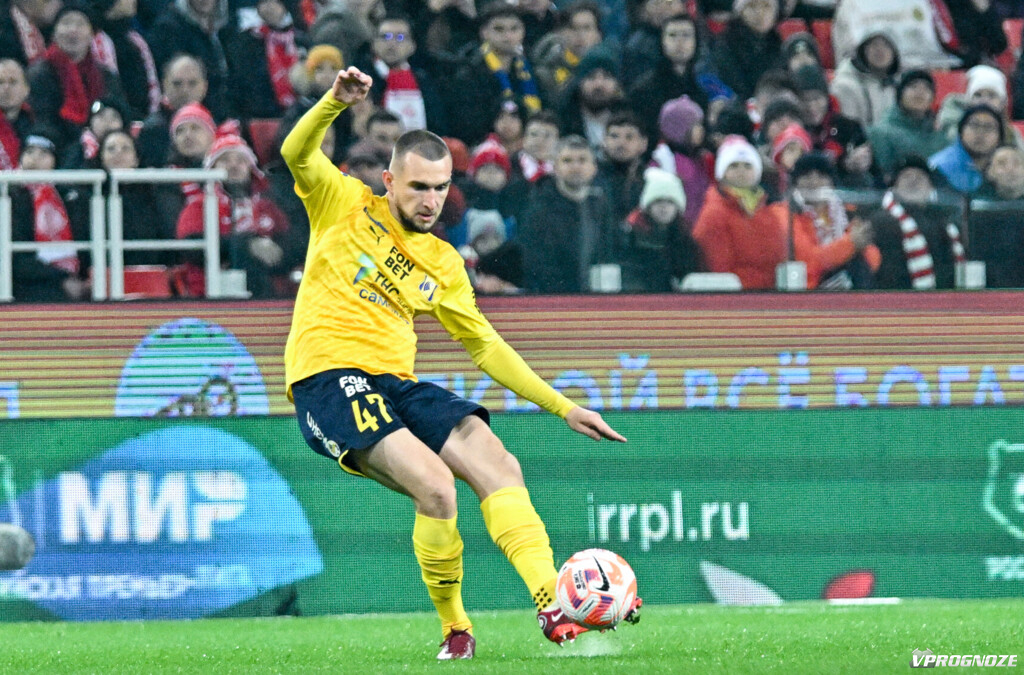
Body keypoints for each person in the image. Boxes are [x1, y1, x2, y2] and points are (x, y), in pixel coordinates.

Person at [280, 65, 637, 661]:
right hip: (327, 377)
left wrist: (563, 407)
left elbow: (486, 346)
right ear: (389, 180)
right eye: (418, 187)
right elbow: (294, 152)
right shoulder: (340, 201)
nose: (431, 201)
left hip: (396, 382)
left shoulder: (443, 262)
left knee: (498, 463)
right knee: (437, 487)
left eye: (441, 188)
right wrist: (334, 103)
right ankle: (456, 630)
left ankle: (552, 603)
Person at [0, 59, 33, 169]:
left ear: (26, 89)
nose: (6, 88)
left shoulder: (37, 121)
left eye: (13, 82)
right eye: (0, 82)